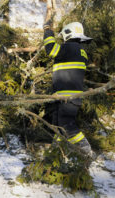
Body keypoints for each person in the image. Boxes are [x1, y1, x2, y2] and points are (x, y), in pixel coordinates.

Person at [43, 21, 93, 156]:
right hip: (65, 96)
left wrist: (48, 31)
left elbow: (51, 50)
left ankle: (86, 151)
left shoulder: (70, 47)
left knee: (67, 125)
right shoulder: (80, 51)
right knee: (58, 124)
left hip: (68, 97)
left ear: (68, 33)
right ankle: (57, 151)